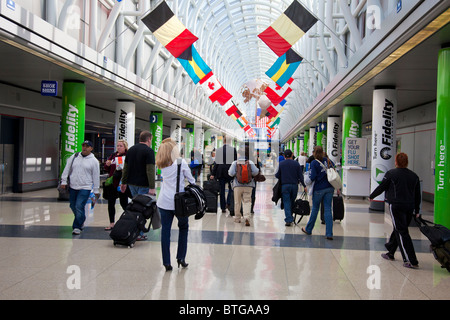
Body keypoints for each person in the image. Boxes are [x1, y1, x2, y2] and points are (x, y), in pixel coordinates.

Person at [369, 152, 422, 269]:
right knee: (399, 228)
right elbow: (418, 195)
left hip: (396, 206)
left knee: (402, 231)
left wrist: (372, 196)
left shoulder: (391, 174)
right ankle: (391, 252)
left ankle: (410, 260)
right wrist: (417, 210)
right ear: (407, 162)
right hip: (410, 206)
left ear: (396, 162)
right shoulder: (414, 176)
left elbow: (382, 186)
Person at [156, 138, 195, 272]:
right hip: (179, 203)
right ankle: (181, 258)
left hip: (163, 201)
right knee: (183, 227)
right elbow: (191, 180)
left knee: (165, 231)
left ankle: (166, 262)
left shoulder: (160, 163)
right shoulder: (181, 162)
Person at [121, 131, 156, 240]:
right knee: (142, 209)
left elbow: (125, 168)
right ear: (149, 139)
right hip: (144, 185)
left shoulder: (131, 150)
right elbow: (150, 170)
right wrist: (152, 186)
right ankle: (139, 232)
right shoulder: (149, 151)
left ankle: (133, 229)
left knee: (135, 207)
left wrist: (123, 182)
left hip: (132, 184)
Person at [60, 140, 100, 235]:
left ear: (91, 148)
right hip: (73, 186)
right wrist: (64, 181)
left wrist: (96, 190)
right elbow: (67, 169)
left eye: (87, 146)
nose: (84, 148)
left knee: (79, 206)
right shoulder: (74, 157)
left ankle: (77, 226)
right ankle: (81, 218)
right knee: (73, 205)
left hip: (85, 187)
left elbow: (95, 176)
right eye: (83, 146)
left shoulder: (94, 161)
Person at [302, 146, 335, 239]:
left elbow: (313, 177)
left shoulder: (314, 162)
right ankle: (329, 233)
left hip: (319, 189)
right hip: (330, 188)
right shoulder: (329, 161)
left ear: (314, 153)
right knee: (328, 210)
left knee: (315, 209)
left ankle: (308, 229)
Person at [103, 139, 131, 231]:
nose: (118, 148)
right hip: (113, 182)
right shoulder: (113, 155)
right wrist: (107, 164)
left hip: (122, 183)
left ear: (125, 147)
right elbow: (107, 169)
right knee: (111, 203)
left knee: (124, 203)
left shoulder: (128, 156)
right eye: (118, 146)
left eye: (121, 146)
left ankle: (129, 221)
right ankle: (111, 223)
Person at [228, 145, 259, 226]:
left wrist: (237, 174)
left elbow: (231, 173)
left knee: (237, 202)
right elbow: (256, 172)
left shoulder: (235, 162)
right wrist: (250, 174)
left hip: (237, 185)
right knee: (247, 201)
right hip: (249, 185)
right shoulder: (250, 162)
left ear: (239, 154)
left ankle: (237, 218)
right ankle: (247, 217)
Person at [275, 149, 306, 226]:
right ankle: (290, 216)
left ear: (284, 156)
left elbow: (277, 175)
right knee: (292, 201)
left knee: (286, 202)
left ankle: (288, 219)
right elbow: (300, 176)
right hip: (294, 186)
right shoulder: (296, 164)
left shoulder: (281, 164)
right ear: (292, 155)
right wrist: (304, 186)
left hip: (285, 186)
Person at [210, 136, 237, 215]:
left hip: (221, 172)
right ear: (230, 141)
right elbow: (235, 162)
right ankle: (229, 202)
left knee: (222, 190)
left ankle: (223, 207)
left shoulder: (218, 150)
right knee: (231, 189)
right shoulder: (233, 150)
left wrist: (213, 174)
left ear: (223, 141)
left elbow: (216, 163)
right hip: (230, 172)